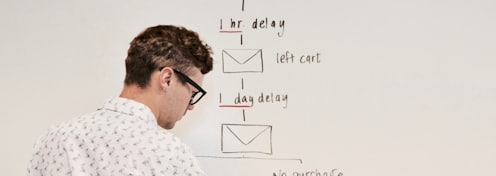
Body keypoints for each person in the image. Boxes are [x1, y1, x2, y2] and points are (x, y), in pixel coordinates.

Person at [27, 25, 214, 176]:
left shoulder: (52, 138)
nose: (191, 105)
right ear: (167, 79)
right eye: (192, 93)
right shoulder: (171, 153)